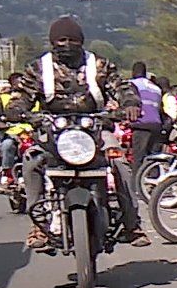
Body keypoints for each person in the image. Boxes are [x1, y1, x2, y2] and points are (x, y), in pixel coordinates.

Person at [8, 16, 148, 248]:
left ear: (81, 41)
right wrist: (19, 111)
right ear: (52, 42)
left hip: (94, 128)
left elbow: (121, 87)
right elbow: (21, 96)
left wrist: (130, 103)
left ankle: (132, 225)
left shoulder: (99, 64)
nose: (67, 44)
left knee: (120, 162)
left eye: (72, 40)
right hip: (52, 130)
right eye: (61, 40)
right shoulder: (38, 68)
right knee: (31, 160)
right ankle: (38, 226)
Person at [124, 62, 165, 184]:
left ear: (133, 72)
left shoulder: (132, 85)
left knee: (139, 158)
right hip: (157, 125)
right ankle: (155, 184)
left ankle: (136, 186)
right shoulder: (156, 87)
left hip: (142, 124)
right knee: (153, 158)